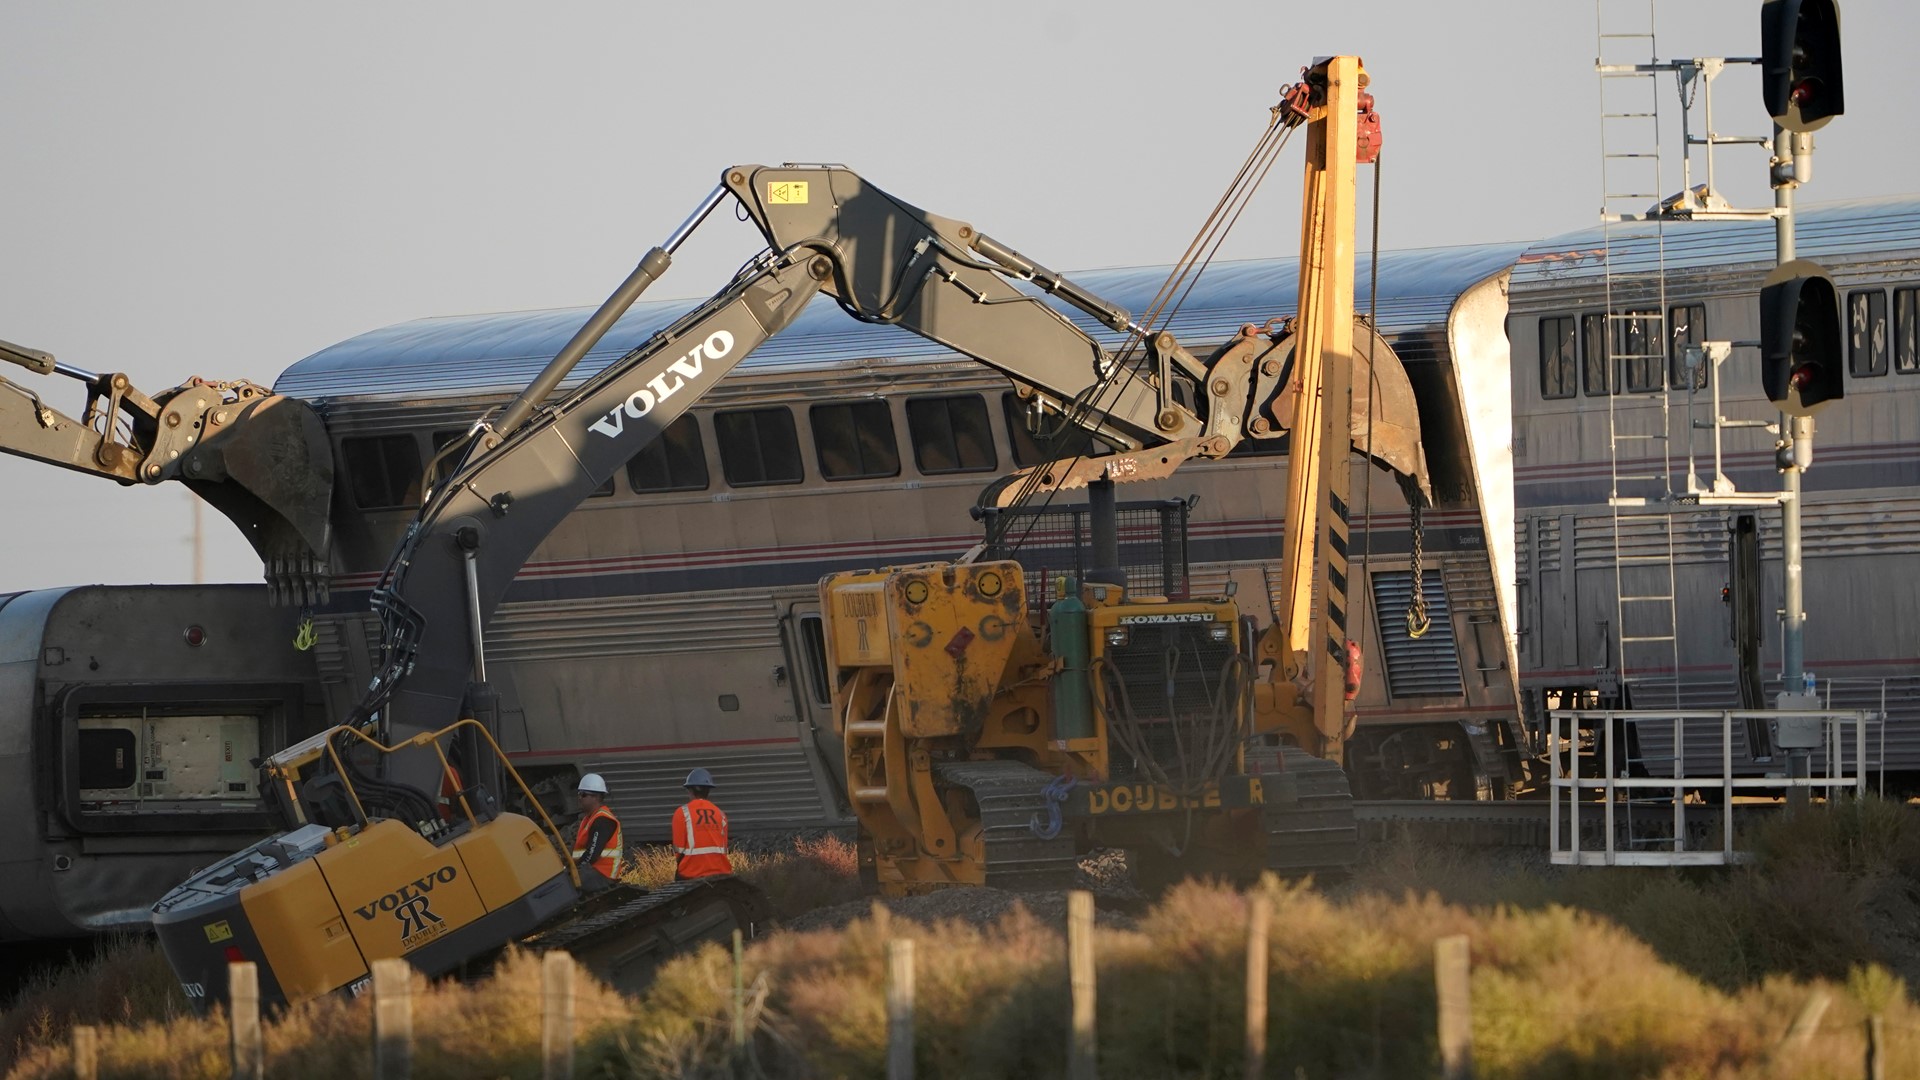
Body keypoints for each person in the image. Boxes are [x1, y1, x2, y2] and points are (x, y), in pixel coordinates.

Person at [671, 767, 732, 879]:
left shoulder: (682, 813)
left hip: (691, 873)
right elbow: (723, 848)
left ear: (690, 790)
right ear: (708, 790)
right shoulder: (721, 814)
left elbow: (679, 851)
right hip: (721, 873)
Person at [571, 773, 625, 885]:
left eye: (583, 794)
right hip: (593, 872)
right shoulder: (590, 819)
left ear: (596, 797)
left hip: (602, 875)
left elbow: (592, 854)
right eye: (579, 794)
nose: (579, 798)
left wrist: (574, 871)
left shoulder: (603, 821)